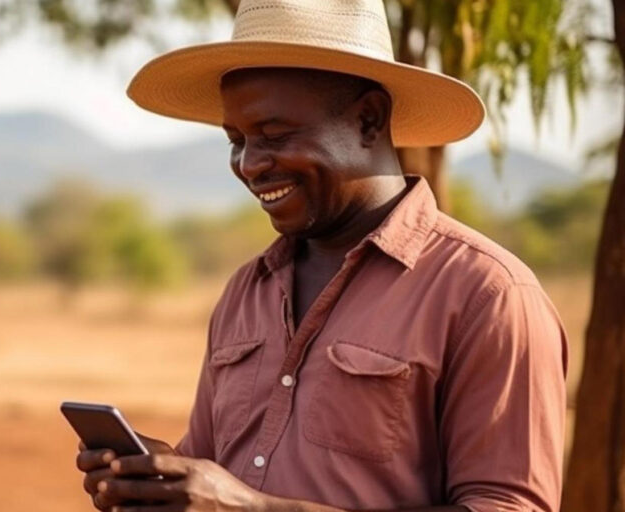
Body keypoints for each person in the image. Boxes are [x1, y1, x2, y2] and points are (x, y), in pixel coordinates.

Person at [74, 0, 568, 511]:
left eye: (274, 134)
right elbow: (217, 475)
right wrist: (161, 480)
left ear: (369, 120)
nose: (250, 164)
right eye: (236, 140)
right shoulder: (248, 290)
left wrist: (254, 509)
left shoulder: (488, 295)